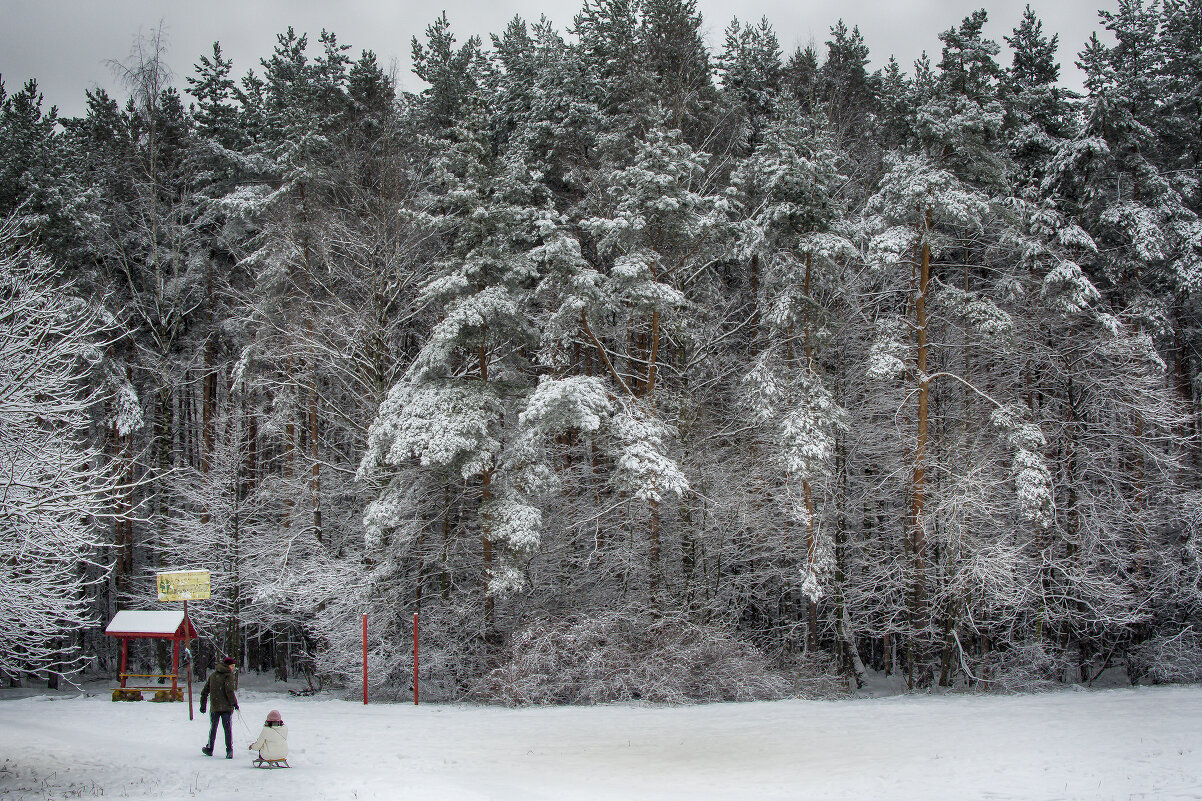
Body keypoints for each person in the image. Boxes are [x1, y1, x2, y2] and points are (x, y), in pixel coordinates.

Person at [200, 656, 239, 758]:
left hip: (215, 707)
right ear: (228, 666)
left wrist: (203, 705)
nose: (233, 668)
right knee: (227, 729)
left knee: (213, 728)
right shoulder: (228, 676)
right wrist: (234, 703)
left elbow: (204, 691)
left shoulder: (213, 675)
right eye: (232, 666)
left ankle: (209, 748)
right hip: (226, 707)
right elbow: (229, 691)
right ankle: (229, 750)